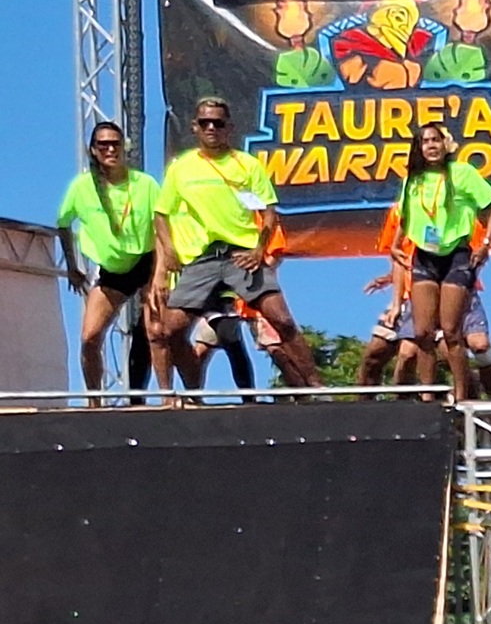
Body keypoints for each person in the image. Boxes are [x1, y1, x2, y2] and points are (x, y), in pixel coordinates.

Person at [148, 98, 321, 391]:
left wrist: (258, 250)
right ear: (195, 127)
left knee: (281, 320)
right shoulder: (181, 168)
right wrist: (170, 251)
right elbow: (161, 214)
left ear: (230, 127)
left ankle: (317, 387)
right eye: (205, 123)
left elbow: (269, 212)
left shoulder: (247, 164)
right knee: (169, 330)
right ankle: (193, 390)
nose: (212, 128)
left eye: (218, 123)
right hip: (202, 259)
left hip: (241, 256)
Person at [393, 119, 491, 398]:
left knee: (452, 331)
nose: (431, 146)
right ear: (418, 147)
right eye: (425, 141)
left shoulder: (462, 173)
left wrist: (486, 243)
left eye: (435, 140)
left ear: (445, 144)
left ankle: (462, 395)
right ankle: (428, 396)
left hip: (457, 254)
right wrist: (395, 244)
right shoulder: (412, 179)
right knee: (422, 333)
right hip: (424, 256)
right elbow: (405, 217)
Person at [55, 121, 159, 399]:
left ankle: (158, 396)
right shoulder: (81, 187)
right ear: (93, 150)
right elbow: (63, 224)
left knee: (154, 329)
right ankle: (94, 401)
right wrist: (72, 266)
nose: (111, 149)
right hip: (113, 271)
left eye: (116, 143)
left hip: (147, 261)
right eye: (104, 144)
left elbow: (163, 226)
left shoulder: (145, 184)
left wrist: (161, 274)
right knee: (89, 338)